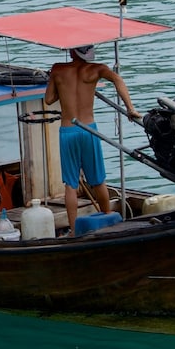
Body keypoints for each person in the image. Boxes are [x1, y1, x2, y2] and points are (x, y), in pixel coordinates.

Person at [44, 45, 140, 234]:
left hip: (68, 130)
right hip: (88, 129)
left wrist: (60, 87)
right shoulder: (98, 69)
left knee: (70, 184)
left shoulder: (58, 69)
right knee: (97, 180)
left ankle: (73, 231)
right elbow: (118, 80)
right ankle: (108, 220)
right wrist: (130, 108)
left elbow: (48, 100)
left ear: (72, 52)